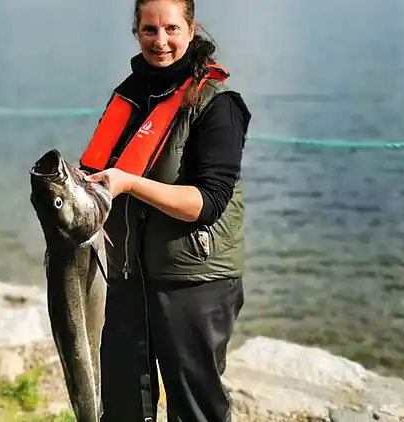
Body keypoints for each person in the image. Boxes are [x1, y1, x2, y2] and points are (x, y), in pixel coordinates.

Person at [78, 0, 251, 421]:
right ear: (136, 31)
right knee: (122, 405)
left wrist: (130, 183)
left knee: (195, 411)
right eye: (149, 30)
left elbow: (207, 204)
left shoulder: (218, 103)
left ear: (191, 29)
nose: (160, 41)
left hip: (194, 280)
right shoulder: (130, 94)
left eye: (171, 29)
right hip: (125, 276)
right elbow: (101, 173)